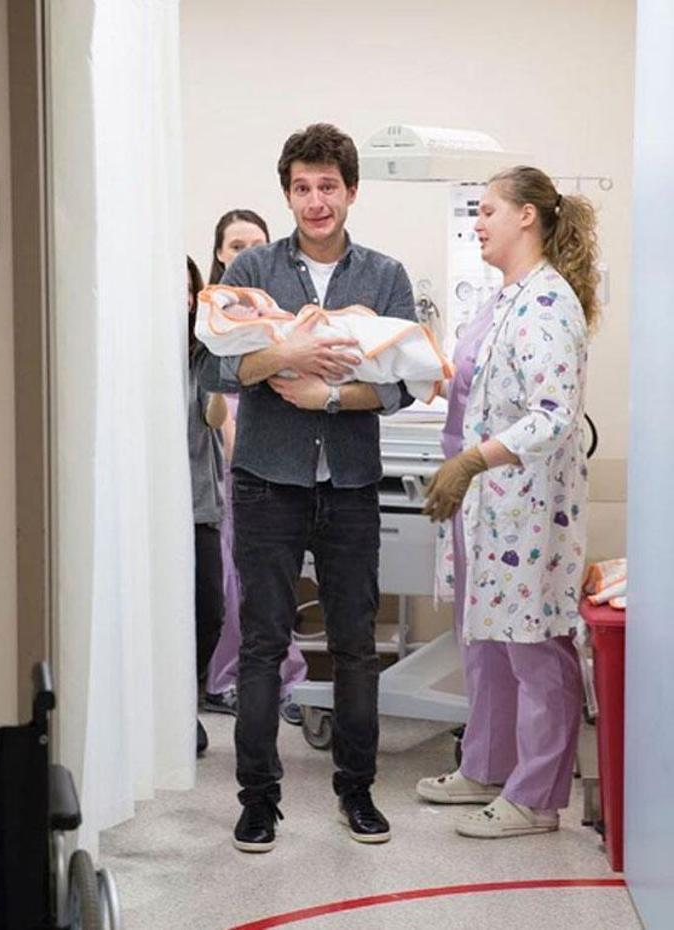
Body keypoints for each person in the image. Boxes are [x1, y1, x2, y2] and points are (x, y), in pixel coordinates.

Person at [196, 122, 417, 853]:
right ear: (287, 195)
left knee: (355, 647)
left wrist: (329, 397)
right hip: (267, 483)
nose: (315, 200)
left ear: (351, 191)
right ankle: (258, 801)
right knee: (263, 646)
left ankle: (357, 792)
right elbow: (217, 370)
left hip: (350, 484)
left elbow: (405, 385)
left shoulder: (385, 277)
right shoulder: (251, 269)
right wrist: (285, 351)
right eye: (302, 188)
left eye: (328, 186)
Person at [415, 166, 599, 839]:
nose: (478, 223)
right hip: (485, 505)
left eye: (488, 210)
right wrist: (423, 373)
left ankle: (537, 797)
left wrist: (470, 460)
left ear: (527, 216)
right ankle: (487, 767)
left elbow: (552, 415)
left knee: (535, 646)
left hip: (525, 506)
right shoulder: (504, 301)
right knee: (487, 639)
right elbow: (486, 391)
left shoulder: (548, 302)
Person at [202, 210, 309, 726]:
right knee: (234, 580)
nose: (247, 253)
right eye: (236, 245)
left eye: (257, 243)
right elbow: (214, 393)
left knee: (274, 580)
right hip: (230, 459)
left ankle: (287, 679)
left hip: (279, 451)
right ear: (220, 254)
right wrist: (233, 442)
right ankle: (226, 680)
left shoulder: (279, 309)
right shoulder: (212, 316)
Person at [186, 255, 228, 758]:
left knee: (208, 611)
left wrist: (218, 379)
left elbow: (214, 418)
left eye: (186, 288)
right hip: (148, 515)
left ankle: (185, 698)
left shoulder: (202, 356)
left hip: (197, 504)